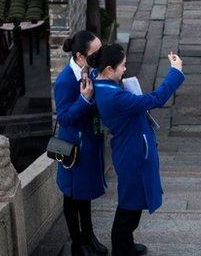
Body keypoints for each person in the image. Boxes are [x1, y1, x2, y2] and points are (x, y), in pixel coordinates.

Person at [89, 44, 185, 256]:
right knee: (130, 203)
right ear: (108, 70)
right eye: (122, 66)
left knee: (133, 199)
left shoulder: (100, 81)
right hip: (134, 152)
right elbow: (156, 99)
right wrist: (175, 71)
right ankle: (122, 249)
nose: (125, 70)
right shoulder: (115, 97)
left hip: (130, 147)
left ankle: (127, 244)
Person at [54, 30, 107, 255]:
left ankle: (89, 235)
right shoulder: (65, 81)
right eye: (95, 55)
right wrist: (84, 100)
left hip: (90, 143)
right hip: (72, 150)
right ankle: (78, 242)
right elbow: (64, 118)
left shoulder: (92, 72)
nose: (100, 58)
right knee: (72, 194)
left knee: (84, 194)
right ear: (79, 57)